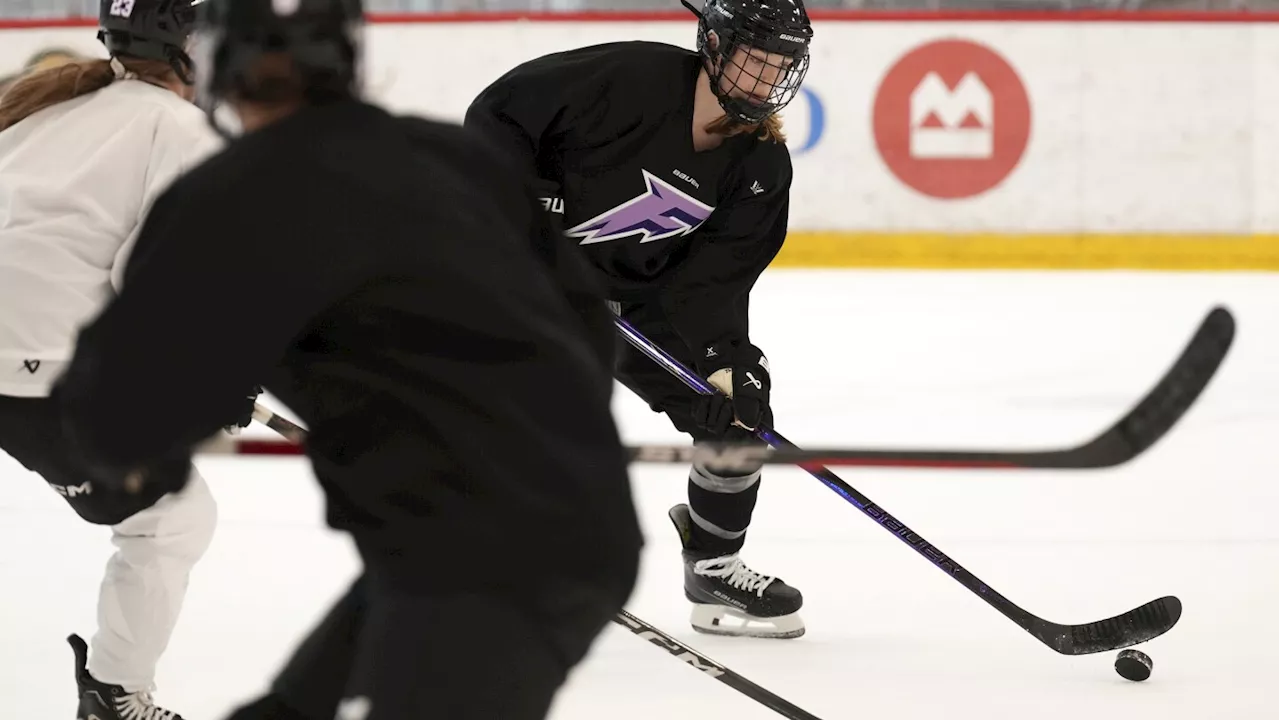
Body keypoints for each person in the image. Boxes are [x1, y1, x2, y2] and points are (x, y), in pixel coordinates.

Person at [50, 0, 643, 718]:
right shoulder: (448, 153)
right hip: (539, 525)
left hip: (485, 564)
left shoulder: (227, 196)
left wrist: (162, 440)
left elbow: (113, 422)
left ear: (218, 67)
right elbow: (586, 330)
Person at [464, 0, 814, 640]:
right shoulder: (629, 80)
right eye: (756, 59)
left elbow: (713, 285)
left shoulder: (760, 167)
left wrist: (729, 368)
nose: (766, 80)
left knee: (738, 427)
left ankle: (713, 569)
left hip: (640, 301)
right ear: (713, 45)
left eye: (780, 66)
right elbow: (500, 114)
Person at [0, 2, 226, 718]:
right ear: (186, 47)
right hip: (36, 369)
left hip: (27, 357)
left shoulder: (48, 108)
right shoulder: (180, 128)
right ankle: (114, 695)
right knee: (172, 517)